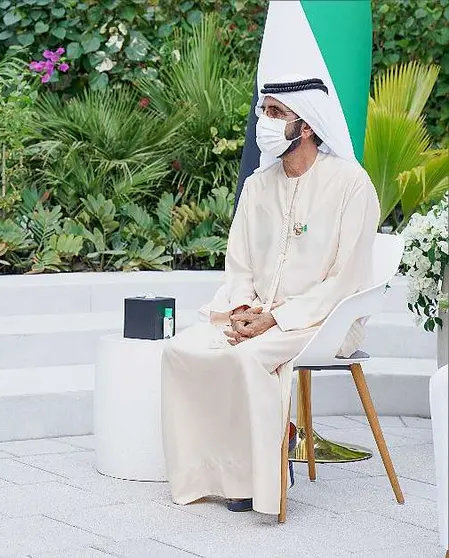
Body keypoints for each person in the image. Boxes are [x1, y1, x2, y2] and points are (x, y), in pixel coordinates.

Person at [160, 76, 380, 515]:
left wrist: (276, 320)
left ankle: (260, 475)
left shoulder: (351, 183)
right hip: (256, 313)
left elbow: (346, 279)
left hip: (326, 319)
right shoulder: (259, 185)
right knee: (180, 351)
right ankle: (209, 474)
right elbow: (238, 262)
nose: (265, 121)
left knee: (248, 357)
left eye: (276, 113)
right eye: (264, 111)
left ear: (308, 126)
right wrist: (243, 308)